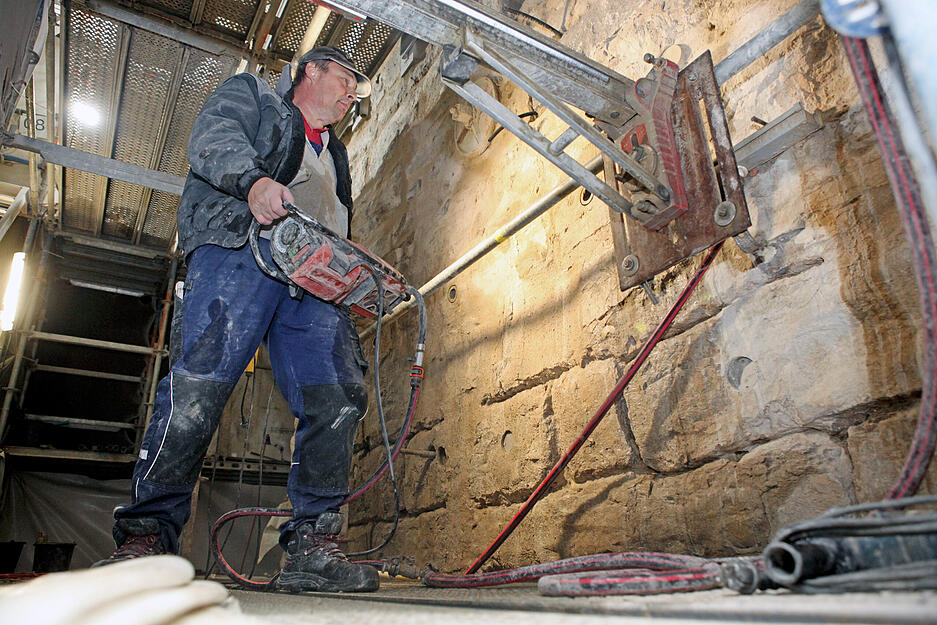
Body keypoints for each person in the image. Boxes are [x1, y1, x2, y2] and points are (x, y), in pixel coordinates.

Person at [95, 47, 380, 593]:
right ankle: (147, 538)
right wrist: (252, 182)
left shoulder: (337, 154)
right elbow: (211, 140)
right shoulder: (254, 96)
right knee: (198, 390)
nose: (351, 95)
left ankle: (312, 547)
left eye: (357, 90)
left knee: (337, 398)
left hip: (313, 282)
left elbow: (336, 215)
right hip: (240, 252)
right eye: (347, 80)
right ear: (309, 71)